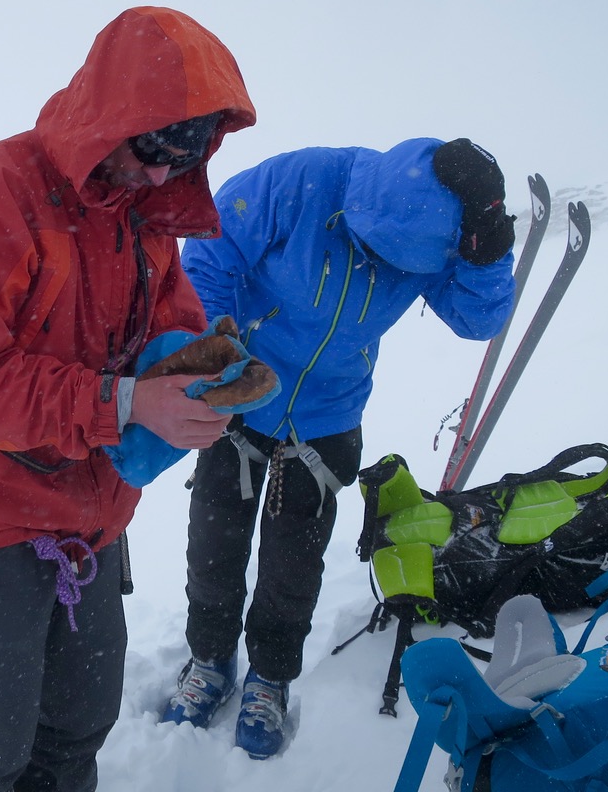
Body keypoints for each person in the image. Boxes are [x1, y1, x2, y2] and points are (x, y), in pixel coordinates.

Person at [0, 6, 257, 792]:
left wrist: (198, 371)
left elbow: (169, 322)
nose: (161, 175)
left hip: (88, 510)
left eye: (181, 158)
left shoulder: (144, 213)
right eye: (152, 149)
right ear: (109, 119)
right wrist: (126, 403)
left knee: (78, 725)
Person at [159, 136, 518, 759]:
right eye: (364, 244)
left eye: (392, 262)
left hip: (328, 416)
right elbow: (210, 257)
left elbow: (478, 321)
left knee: (295, 563)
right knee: (214, 543)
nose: (374, 264)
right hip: (240, 394)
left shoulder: (441, 237)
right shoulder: (301, 181)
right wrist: (222, 356)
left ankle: (269, 677)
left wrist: (487, 250)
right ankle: (209, 659)